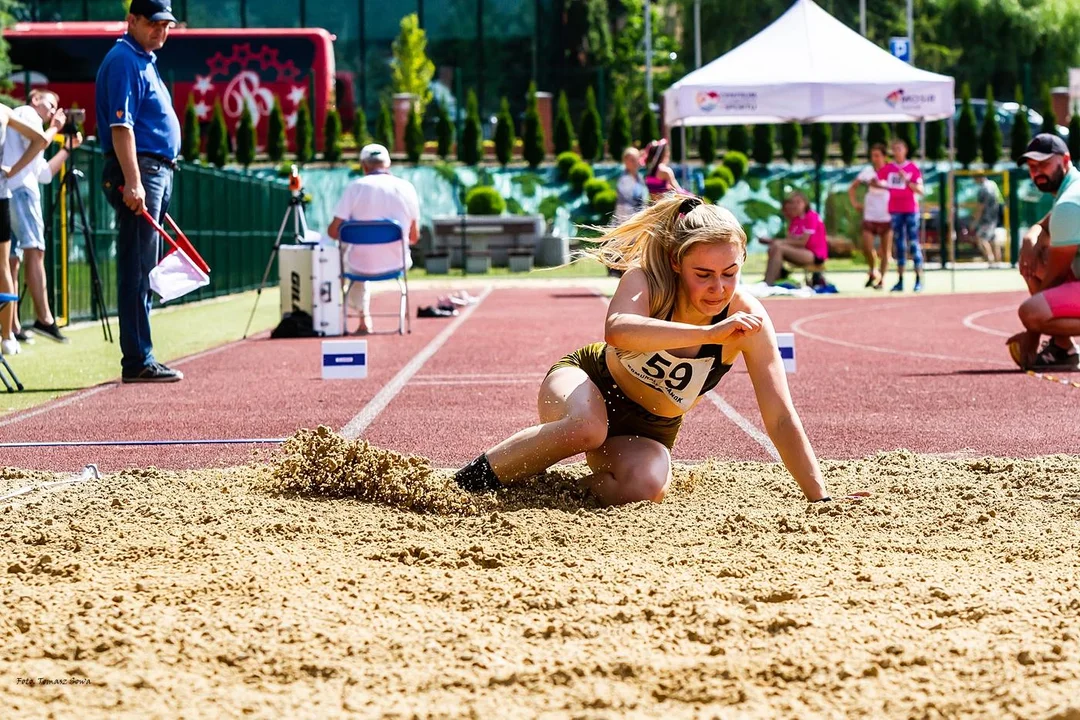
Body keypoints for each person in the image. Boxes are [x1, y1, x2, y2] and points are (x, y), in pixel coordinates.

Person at [453, 194, 868, 507]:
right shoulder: (647, 279)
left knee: (646, 487)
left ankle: (547, 491)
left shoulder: (750, 320)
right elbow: (617, 331)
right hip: (588, 381)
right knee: (587, 428)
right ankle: (463, 485)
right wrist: (710, 332)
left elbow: (779, 415)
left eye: (730, 273)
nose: (718, 288)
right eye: (703, 274)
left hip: (649, 428)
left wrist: (820, 498)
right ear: (675, 261)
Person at [96, 0, 184, 383]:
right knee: (137, 267)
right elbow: (122, 127)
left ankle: (142, 354)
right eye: (153, 23)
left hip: (154, 169)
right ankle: (137, 360)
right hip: (142, 170)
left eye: (165, 24)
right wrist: (133, 181)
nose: (160, 30)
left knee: (144, 266)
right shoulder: (124, 59)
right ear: (131, 21)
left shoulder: (143, 58)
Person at [6, 90, 83, 345]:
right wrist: (56, 129)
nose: (53, 112)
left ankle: (12, 327)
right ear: (35, 100)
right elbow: (39, 141)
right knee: (35, 250)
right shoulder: (26, 113)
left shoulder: (33, 124)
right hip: (21, 191)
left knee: (12, 260)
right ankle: (45, 318)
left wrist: (68, 149)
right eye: (50, 104)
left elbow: (44, 174)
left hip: (13, 190)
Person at [327, 143, 420, 334]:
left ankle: (362, 318)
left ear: (364, 165)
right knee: (358, 253)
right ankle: (378, 320)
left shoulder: (354, 188)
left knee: (347, 253)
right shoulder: (406, 187)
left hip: (357, 265)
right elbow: (414, 237)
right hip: (397, 263)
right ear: (388, 164)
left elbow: (333, 232)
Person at [1007, 133, 1080, 371]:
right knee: (1033, 262)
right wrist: (1030, 238)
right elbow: (1045, 224)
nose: (1037, 172)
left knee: (1031, 312)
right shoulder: (1073, 188)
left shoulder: (1069, 203)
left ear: (1065, 160)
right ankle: (1063, 349)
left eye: (1044, 164)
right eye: (1032, 167)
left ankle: (1058, 346)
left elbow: (1055, 277)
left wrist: (1033, 331)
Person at [0, 105, 49, 357]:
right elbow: (40, 140)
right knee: (7, 265)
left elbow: (40, 142)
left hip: (2, 197)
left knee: (6, 265)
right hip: (6, 195)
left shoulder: (4, 112)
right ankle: (9, 334)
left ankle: (9, 333)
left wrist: (12, 169)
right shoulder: (9, 111)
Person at [877, 138, 925, 292]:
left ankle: (918, 279)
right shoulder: (888, 168)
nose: (897, 151)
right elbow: (879, 182)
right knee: (899, 245)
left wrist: (907, 181)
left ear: (905, 150)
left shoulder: (912, 168)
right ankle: (900, 280)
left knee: (913, 244)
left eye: (900, 148)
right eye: (894, 148)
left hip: (910, 210)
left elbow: (920, 190)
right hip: (895, 210)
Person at [848, 143, 892, 289]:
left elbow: (897, 189)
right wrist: (855, 203)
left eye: (877, 155)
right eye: (873, 155)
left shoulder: (891, 172)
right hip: (870, 214)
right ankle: (873, 269)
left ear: (884, 157)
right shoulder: (867, 171)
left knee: (885, 250)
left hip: (887, 215)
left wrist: (880, 186)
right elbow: (853, 187)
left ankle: (882, 278)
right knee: (867, 247)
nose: (875, 159)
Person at [761, 191, 828, 287]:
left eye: (798, 202)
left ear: (805, 203)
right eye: (793, 202)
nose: (795, 205)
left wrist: (776, 241)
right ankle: (774, 277)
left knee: (778, 247)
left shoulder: (811, 216)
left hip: (814, 254)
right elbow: (790, 241)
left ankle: (768, 283)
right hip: (801, 251)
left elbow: (802, 242)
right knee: (774, 247)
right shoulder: (795, 220)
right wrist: (773, 242)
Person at [970, 172, 1004, 266]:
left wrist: (975, 220)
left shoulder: (983, 189)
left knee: (981, 238)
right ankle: (998, 261)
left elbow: (981, 206)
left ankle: (990, 260)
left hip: (986, 219)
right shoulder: (993, 185)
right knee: (993, 239)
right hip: (994, 217)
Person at [614, 146, 646, 222]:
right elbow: (626, 205)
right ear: (625, 161)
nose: (635, 162)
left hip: (639, 220)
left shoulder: (640, 177)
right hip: (626, 222)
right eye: (632, 160)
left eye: (637, 159)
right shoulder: (624, 180)